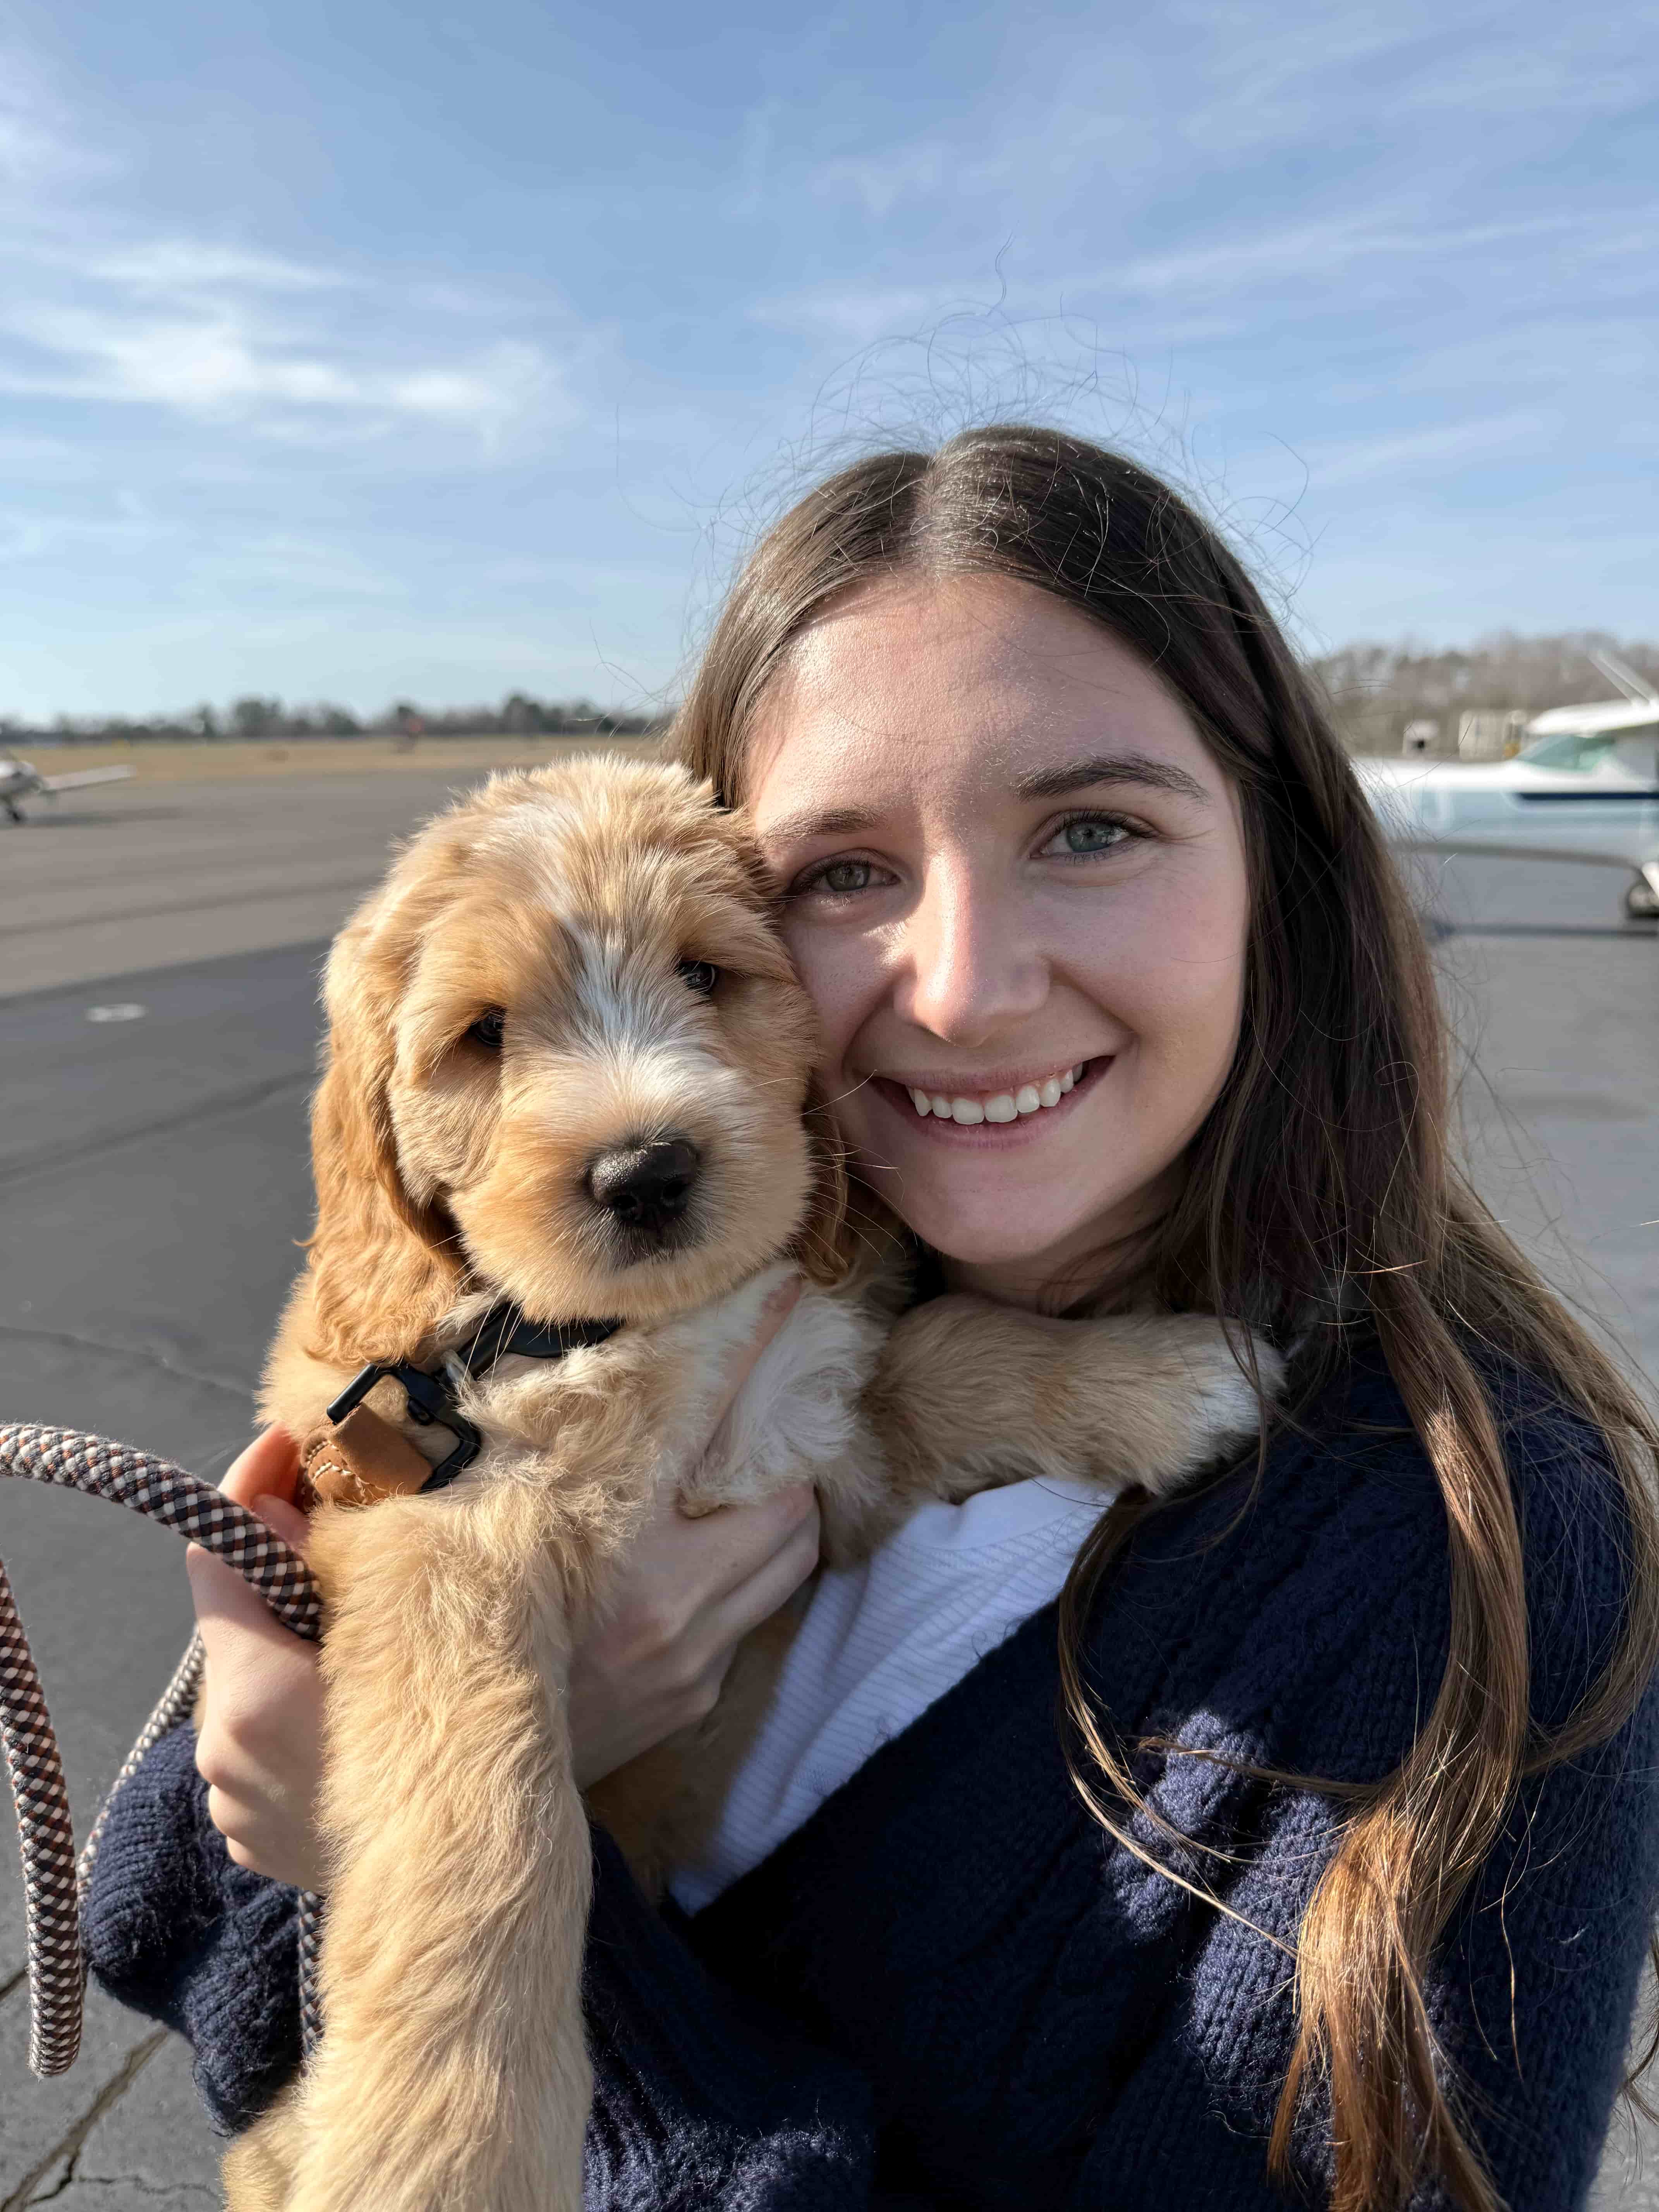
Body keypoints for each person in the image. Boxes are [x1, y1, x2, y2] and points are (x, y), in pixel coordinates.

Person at [84, 429, 1659, 2212]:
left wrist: (525, 1929)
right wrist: (383, 1745)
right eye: (843, 871)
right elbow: (165, 1893)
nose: (969, 989)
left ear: (1281, 876)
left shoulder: (1470, 1562)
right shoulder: (556, 1344)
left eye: (1092, 827)